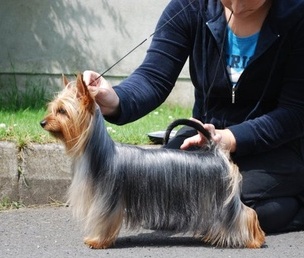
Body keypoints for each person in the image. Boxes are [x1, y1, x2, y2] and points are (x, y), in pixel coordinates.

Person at [83, 0, 304, 233]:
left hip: (277, 145)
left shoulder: (297, 14)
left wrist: (229, 138)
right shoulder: (189, 7)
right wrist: (114, 99)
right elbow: (153, 78)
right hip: (203, 139)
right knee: (154, 199)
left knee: (236, 207)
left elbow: (295, 112)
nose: (237, 6)